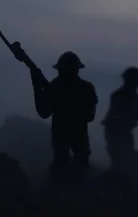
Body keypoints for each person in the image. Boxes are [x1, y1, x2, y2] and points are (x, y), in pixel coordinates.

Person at [21, 50, 98, 181]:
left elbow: (44, 112)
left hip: (71, 136)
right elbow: (44, 111)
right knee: (66, 166)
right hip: (67, 136)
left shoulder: (78, 88)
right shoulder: (84, 87)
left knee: (73, 166)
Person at [101, 66, 138, 177]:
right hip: (115, 130)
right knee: (118, 156)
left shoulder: (135, 98)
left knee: (123, 157)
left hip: (121, 131)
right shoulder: (120, 96)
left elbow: (136, 117)